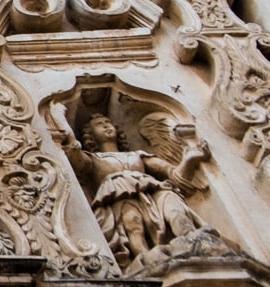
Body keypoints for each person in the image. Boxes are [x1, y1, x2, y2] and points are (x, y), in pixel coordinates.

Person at [59, 111, 208, 269]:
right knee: (133, 225)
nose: (105, 126)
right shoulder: (94, 160)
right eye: (99, 125)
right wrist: (60, 120)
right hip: (119, 196)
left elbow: (174, 174)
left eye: (107, 122)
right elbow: (74, 156)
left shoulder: (138, 156)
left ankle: (195, 245)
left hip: (152, 189)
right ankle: (147, 262)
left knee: (175, 209)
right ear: (90, 134)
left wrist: (190, 159)